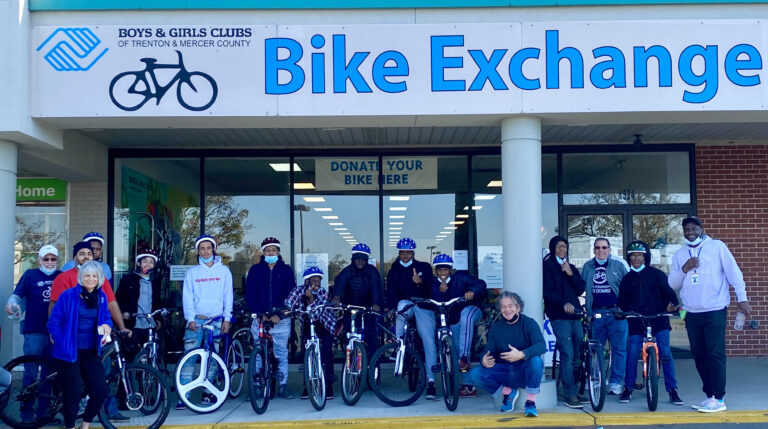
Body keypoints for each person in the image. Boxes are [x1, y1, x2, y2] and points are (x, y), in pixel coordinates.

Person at [668, 217, 751, 413]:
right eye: (687, 229)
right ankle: (710, 396)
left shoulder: (717, 247)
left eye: (693, 228)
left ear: (701, 229)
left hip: (715, 309)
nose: (690, 232)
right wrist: (685, 269)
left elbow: (734, 273)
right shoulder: (680, 254)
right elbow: (672, 284)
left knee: (715, 353)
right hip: (690, 311)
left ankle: (719, 398)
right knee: (699, 354)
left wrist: (742, 298)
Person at [50, 242, 129, 421]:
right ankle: (69, 421)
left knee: (99, 386)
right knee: (73, 389)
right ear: (75, 257)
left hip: (93, 348)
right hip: (70, 347)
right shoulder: (65, 281)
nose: (86, 256)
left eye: (89, 253)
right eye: (82, 253)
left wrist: (116, 326)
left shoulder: (101, 293)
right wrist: (57, 337)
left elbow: (110, 307)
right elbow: (54, 310)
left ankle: (94, 417)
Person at [47, 261, 112, 429]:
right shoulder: (68, 295)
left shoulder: (101, 297)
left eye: (94, 276)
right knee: (73, 392)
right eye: (87, 275)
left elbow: (106, 317)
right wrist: (61, 341)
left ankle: (85, 425)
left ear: (99, 278)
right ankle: (70, 426)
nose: (91, 279)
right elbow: (54, 322)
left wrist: (107, 325)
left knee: (100, 390)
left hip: (91, 351)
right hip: (70, 351)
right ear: (81, 277)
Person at [617, 240, 683, 405]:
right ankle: (628, 388)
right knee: (633, 352)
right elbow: (622, 303)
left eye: (639, 255)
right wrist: (620, 312)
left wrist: (672, 305)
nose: (636, 258)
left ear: (645, 257)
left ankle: (672, 389)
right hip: (636, 321)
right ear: (628, 258)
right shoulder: (626, 279)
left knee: (665, 352)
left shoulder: (657, 274)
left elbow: (669, 294)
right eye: (633, 256)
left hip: (658, 319)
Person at [5, 245, 61, 423]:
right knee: (30, 374)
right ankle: (26, 415)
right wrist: (11, 304)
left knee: (49, 374)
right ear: (39, 260)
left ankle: (43, 414)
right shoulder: (30, 275)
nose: (50, 262)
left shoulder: (61, 276)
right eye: (46, 259)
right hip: (34, 331)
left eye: (53, 259)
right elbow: (17, 295)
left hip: (55, 333)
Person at [466, 291, 545, 417]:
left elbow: (541, 345)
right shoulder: (496, 327)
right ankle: (507, 392)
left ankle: (530, 402)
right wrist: (484, 360)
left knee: (536, 361)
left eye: (510, 306)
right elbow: (489, 351)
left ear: (518, 307)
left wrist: (522, 354)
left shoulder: (529, 323)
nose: (507, 310)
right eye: (503, 307)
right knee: (475, 374)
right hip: (505, 371)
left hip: (523, 371)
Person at [179, 235, 233, 410]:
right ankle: (184, 394)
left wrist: (227, 318)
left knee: (212, 359)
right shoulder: (192, 273)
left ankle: (208, 392)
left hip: (216, 320)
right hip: (196, 321)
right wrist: (190, 318)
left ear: (213, 249)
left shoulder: (224, 271)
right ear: (198, 251)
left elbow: (228, 296)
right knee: (189, 358)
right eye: (201, 248)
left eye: (208, 248)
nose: (205, 251)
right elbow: (187, 297)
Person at [385, 237, 437, 399]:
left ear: (413, 253)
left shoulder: (423, 267)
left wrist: (420, 282)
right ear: (399, 253)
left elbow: (432, 286)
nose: (405, 255)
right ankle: (399, 345)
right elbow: (391, 292)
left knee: (428, 340)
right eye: (402, 252)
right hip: (407, 305)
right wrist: (390, 308)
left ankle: (431, 381)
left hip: (423, 305)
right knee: (401, 306)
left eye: (408, 252)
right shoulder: (394, 271)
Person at [244, 236, 296, 400]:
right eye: (267, 250)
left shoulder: (286, 270)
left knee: (281, 353)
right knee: (259, 353)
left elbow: (291, 295)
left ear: (278, 252)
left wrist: (279, 315)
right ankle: (257, 387)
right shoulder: (255, 270)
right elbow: (250, 294)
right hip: (260, 318)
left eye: (273, 250)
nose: (271, 253)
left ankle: (283, 386)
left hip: (280, 319)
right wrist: (260, 314)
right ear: (263, 252)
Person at [429, 253, 487, 398]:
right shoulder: (434, 284)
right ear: (436, 271)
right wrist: (440, 292)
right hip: (453, 320)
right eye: (439, 270)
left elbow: (481, 284)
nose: (442, 273)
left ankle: (465, 356)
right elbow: (435, 301)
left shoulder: (460, 277)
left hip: (470, 310)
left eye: (445, 270)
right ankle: (468, 386)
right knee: (455, 350)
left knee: (466, 318)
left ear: (450, 270)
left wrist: (472, 291)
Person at [581, 237, 628, 397]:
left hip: (616, 313)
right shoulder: (588, 266)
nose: (601, 250)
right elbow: (581, 287)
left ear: (609, 249)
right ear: (594, 249)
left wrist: (623, 307)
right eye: (597, 248)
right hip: (596, 313)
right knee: (596, 349)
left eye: (604, 247)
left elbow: (629, 287)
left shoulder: (619, 265)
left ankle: (615, 383)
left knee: (619, 349)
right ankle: (596, 380)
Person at [542, 236, 585, 409]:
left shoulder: (570, 267)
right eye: (560, 247)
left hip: (575, 316)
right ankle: (569, 394)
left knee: (578, 355)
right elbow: (547, 292)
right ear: (553, 248)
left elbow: (580, 289)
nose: (563, 250)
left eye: (565, 247)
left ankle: (577, 390)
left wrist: (570, 274)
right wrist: (563, 303)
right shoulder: (546, 267)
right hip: (559, 316)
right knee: (567, 354)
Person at [287, 267, 337, 400]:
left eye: (318, 280)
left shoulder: (323, 292)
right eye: (314, 280)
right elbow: (290, 301)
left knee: (327, 352)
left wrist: (310, 298)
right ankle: (308, 385)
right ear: (307, 281)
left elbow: (315, 315)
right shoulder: (299, 290)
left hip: (324, 325)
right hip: (308, 326)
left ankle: (329, 385)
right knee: (307, 354)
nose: (317, 283)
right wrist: (288, 308)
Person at [331, 243, 383, 359]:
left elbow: (376, 287)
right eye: (357, 259)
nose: (360, 261)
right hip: (350, 308)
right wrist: (337, 297)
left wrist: (376, 303)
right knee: (349, 336)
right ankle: (349, 364)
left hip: (368, 308)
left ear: (367, 260)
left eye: (363, 259)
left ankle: (374, 367)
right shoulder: (347, 271)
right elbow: (340, 284)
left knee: (371, 336)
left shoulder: (372, 271)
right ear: (353, 259)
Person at [115, 249, 162, 362]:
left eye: (151, 262)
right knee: (132, 354)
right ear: (138, 263)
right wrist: (124, 312)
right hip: (133, 323)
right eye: (145, 261)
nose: (148, 264)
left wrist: (159, 319)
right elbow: (118, 299)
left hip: (150, 324)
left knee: (151, 354)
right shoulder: (128, 280)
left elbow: (157, 302)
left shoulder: (155, 282)